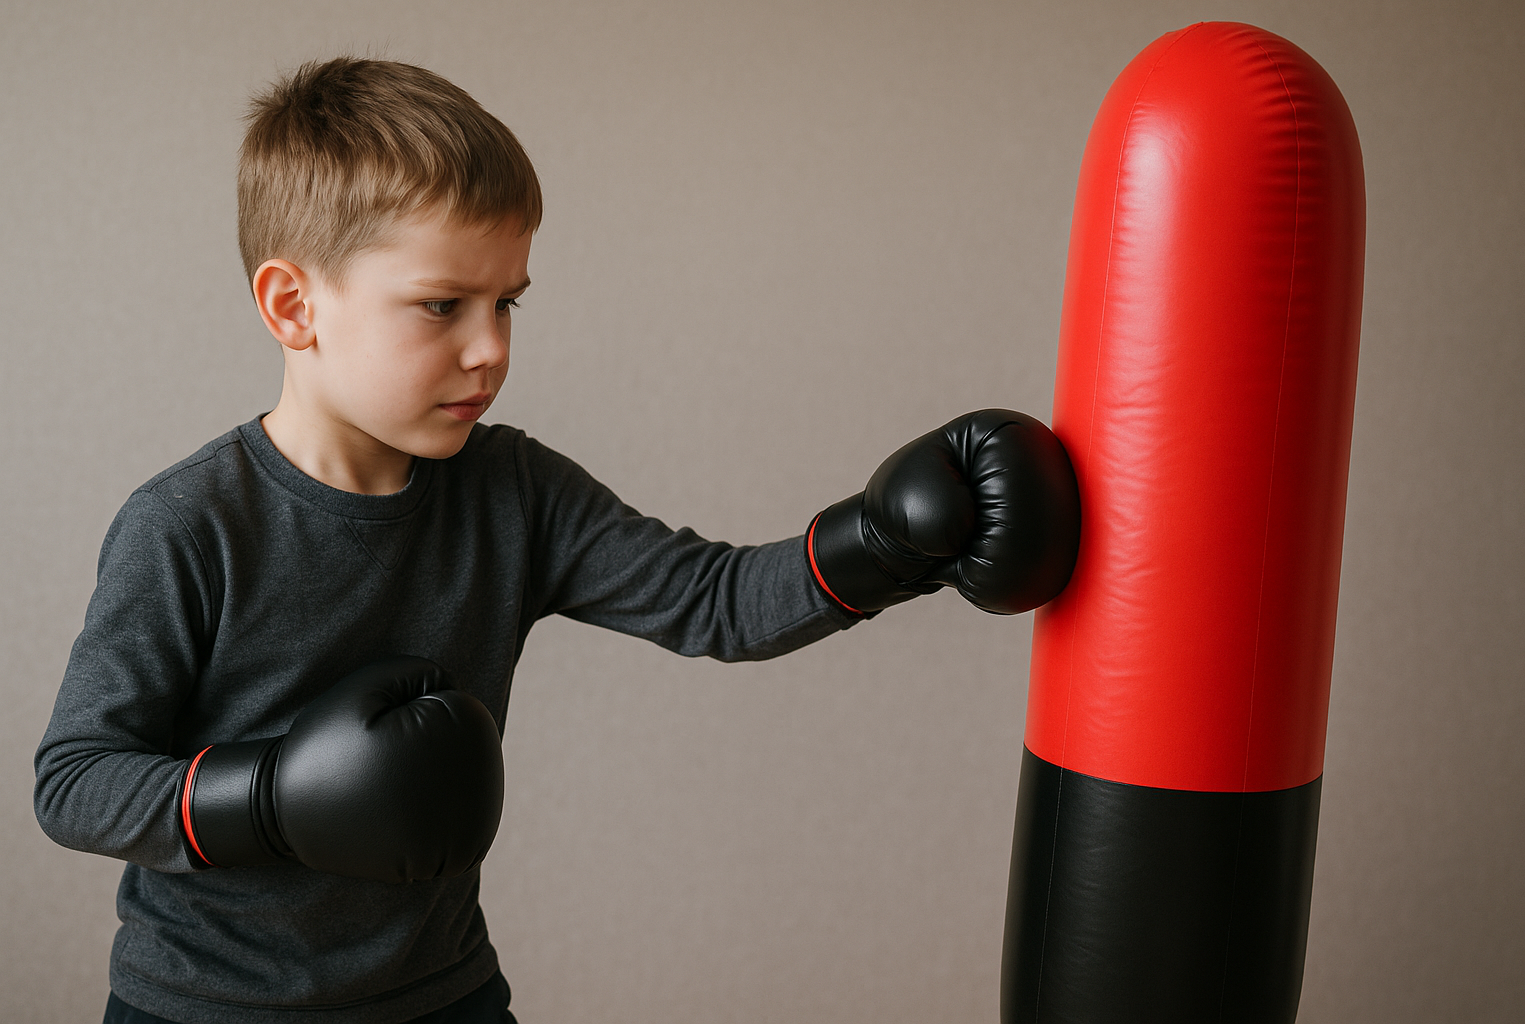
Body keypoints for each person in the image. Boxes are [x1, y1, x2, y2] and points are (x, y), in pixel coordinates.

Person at [33, 58, 1078, 1024]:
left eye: (506, 303)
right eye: (442, 305)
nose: (489, 349)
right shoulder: (190, 524)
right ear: (293, 303)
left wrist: (885, 542)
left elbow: (713, 599)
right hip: (204, 1007)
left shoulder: (511, 489)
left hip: (443, 993)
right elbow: (75, 780)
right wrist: (266, 796)